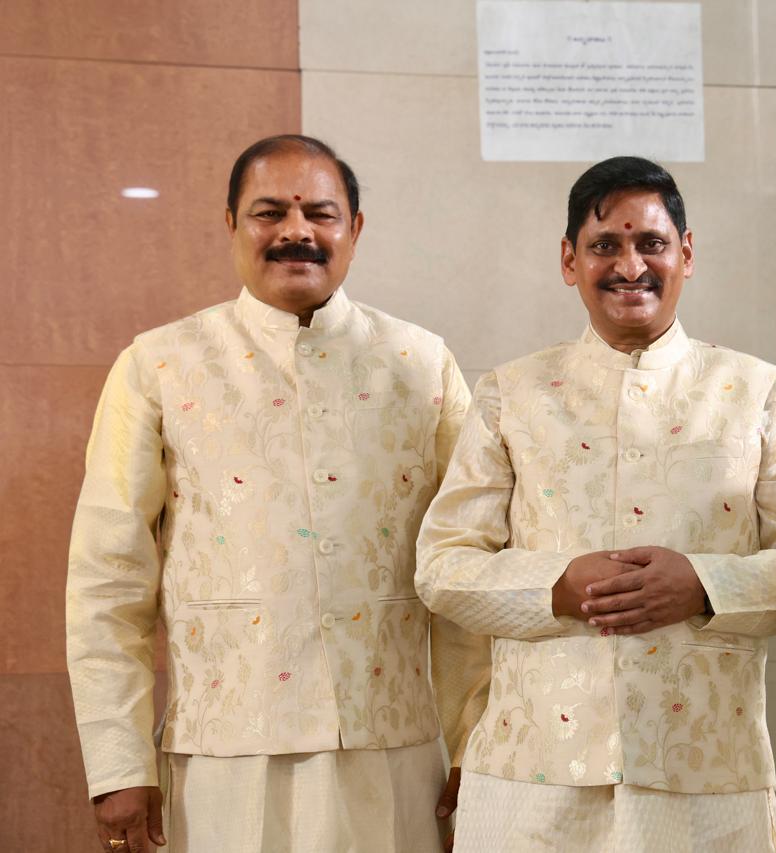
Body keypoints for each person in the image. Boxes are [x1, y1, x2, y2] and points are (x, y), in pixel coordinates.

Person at [66, 134, 489, 853]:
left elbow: (468, 571)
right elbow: (109, 581)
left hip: (393, 753)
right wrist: (118, 762)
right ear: (231, 224)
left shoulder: (423, 364)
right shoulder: (159, 365)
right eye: (270, 212)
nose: (297, 231)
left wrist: (474, 744)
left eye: (320, 213)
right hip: (226, 758)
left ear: (355, 228)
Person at [416, 156, 776, 852]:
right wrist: (557, 585)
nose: (629, 264)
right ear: (570, 261)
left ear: (686, 255)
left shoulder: (757, 394)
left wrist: (704, 583)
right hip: (530, 772)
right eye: (606, 245)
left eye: (652, 243)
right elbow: (442, 564)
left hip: (703, 771)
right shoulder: (512, 394)